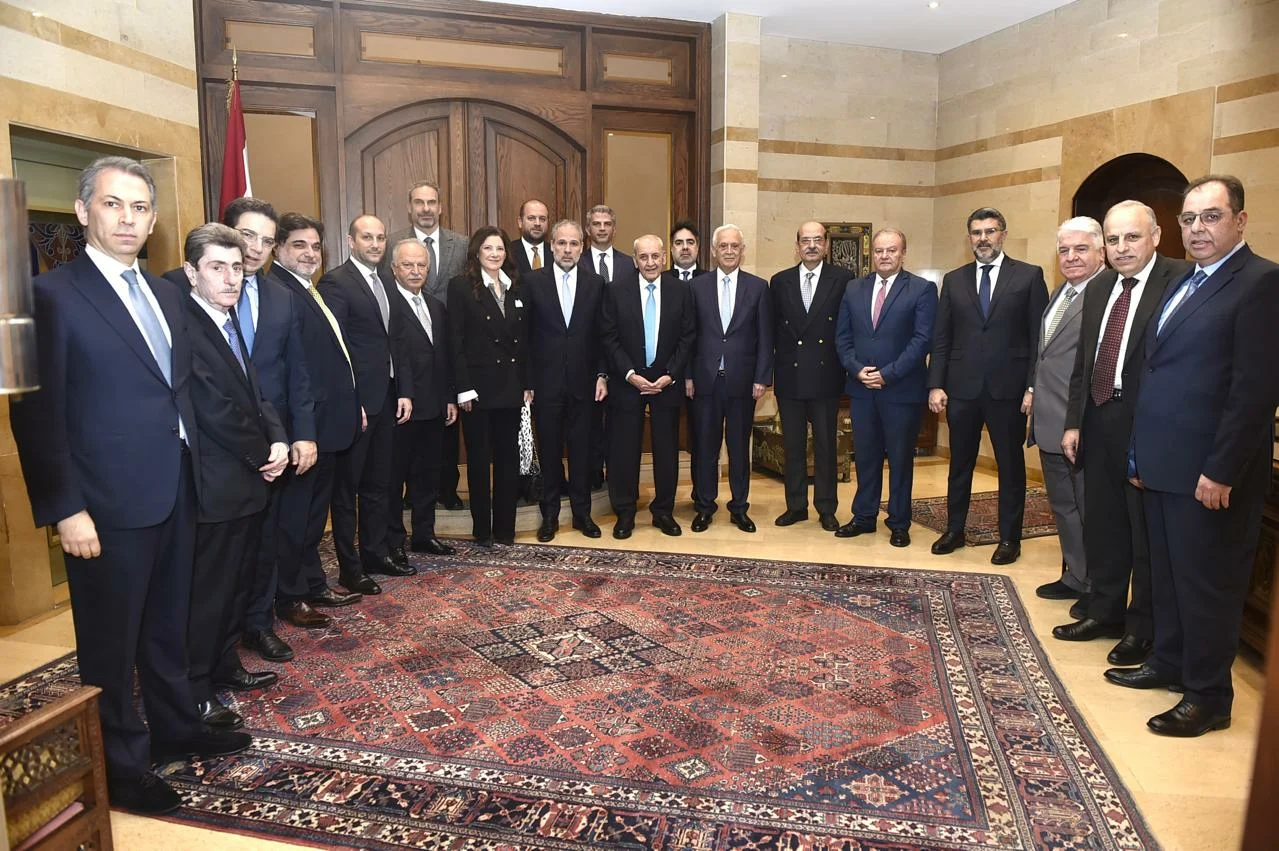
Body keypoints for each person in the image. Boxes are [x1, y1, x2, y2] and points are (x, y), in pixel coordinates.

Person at [10, 157, 249, 815]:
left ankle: (176, 727)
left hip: (175, 490)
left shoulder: (168, 294)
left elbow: (178, 394)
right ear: (83, 210)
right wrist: (66, 509)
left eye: (140, 207)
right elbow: (34, 412)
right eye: (112, 204)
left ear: (153, 218)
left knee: (168, 626)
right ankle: (119, 765)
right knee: (111, 644)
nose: (127, 219)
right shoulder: (46, 295)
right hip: (105, 506)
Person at [1106, 176, 1279, 737]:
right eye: (1188, 218)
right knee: (1169, 578)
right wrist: (1139, 456)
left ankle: (1207, 697)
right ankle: (1169, 662)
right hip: (1162, 465)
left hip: (1208, 474)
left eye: (1210, 216)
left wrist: (1221, 470)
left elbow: (1254, 392)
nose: (1197, 229)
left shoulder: (1260, 282)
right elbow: (1157, 373)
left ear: (1240, 221)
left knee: (1207, 586)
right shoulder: (1185, 280)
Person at [1057, 201, 1190, 663]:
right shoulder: (1100, 287)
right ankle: (1104, 611)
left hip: (1148, 425)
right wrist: (1074, 421)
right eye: (1113, 239)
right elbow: (1084, 362)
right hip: (1099, 419)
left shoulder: (1179, 279)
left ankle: (1142, 628)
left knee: (1145, 534)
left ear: (1156, 236)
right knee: (1105, 525)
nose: (1121, 248)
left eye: (1131, 237)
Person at [177, 223, 290, 731]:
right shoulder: (188, 327)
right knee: (209, 593)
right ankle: (195, 691)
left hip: (247, 480)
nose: (230, 279)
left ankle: (223, 665)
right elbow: (214, 408)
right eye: (217, 268)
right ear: (191, 273)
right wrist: (263, 452)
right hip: (216, 485)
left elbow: (255, 393)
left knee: (237, 584)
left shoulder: (228, 320)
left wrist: (279, 438)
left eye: (237, 268)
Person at [928, 207, 1048, 564]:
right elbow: (942, 338)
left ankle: (1010, 538)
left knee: (1010, 467)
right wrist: (936, 384)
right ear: (969, 238)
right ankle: (954, 530)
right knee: (959, 464)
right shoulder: (954, 280)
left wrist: (1032, 387)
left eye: (990, 231)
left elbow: (1039, 339)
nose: (983, 238)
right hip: (962, 389)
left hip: (1008, 391)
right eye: (977, 233)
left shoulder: (1028, 276)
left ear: (1003, 235)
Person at [267, 214, 367, 618]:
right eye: (299, 245)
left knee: (312, 516)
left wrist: (353, 402)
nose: (310, 253)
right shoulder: (280, 292)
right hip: (306, 429)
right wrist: (302, 431)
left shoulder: (306, 289)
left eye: (315, 246)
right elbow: (294, 370)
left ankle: (313, 584)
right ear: (277, 248)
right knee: (296, 519)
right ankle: (290, 596)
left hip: (329, 424)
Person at [319, 215, 415, 588]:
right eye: (367, 237)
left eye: (380, 237)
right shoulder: (336, 282)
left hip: (387, 400)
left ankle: (376, 553)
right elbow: (334, 348)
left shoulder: (387, 282)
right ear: (350, 241)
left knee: (379, 484)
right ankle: (350, 566)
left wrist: (404, 390)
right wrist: (352, 399)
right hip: (356, 405)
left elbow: (397, 341)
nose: (375, 244)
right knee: (347, 490)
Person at [834, 227, 936, 545]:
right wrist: (856, 369)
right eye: (879, 250)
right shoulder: (854, 288)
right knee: (865, 456)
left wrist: (888, 374)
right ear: (872, 254)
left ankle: (899, 522)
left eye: (892, 250)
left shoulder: (921, 289)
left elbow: (922, 340)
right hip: (862, 390)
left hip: (901, 390)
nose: (885, 256)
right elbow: (842, 337)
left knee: (901, 459)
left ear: (903, 253)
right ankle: (864, 516)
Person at [1027, 218, 1107, 608]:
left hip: (1082, 422)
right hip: (1049, 417)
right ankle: (1075, 575)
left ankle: (1097, 587)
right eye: (1064, 250)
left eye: (1080, 249)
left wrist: (1078, 421)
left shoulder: (1107, 293)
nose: (1071, 257)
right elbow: (1046, 353)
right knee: (1063, 505)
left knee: (1090, 510)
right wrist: (1032, 389)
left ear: (1101, 252)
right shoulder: (1062, 291)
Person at [600, 235, 696, 538]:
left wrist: (670, 374)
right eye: (644, 257)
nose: (651, 262)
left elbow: (688, 336)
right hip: (627, 382)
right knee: (624, 450)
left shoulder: (682, 291)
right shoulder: (616, 291)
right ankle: (625, 512)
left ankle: (663, 511)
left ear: (664, 257)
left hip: (666, 382)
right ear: (635, 260)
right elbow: (609, 337)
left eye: (656, 256)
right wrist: (629, 374)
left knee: (666, 451)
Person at [382, 179, 468, 510]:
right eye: (419, 202)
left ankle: (447, 490)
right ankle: (410, 497)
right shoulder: (392, 243)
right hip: (405, 349)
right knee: (405, 445)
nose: (426, 208)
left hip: (444, 344)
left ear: (440, 207)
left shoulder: (460, 244)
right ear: (410, 207)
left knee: (444, 436)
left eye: (432, 202)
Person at [524, 219, 608, 541]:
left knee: (582, 452)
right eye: (562, 243)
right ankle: (549, 517)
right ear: (552, 246)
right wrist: (528, 382)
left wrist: (602, 375)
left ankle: (582, 515)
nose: (568, 250)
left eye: (574, 244)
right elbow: (525, 336)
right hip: (545, 386)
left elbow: (602, 335)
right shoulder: (533, 282)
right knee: (549, 452)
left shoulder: (595, 283)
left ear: (582, 247)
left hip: (584, 384)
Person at [449, 225, 532, 546]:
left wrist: (527, 383)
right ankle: (483, 530)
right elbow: (455, 342)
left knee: (508, 461)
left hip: (511, 388)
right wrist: (463, 387)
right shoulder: (461, 287)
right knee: (479, 462)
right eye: (488, 248)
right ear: (476, 253)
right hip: (477, 391)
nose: (494, 254)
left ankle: (505, 530)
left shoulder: (516, 287)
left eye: (499, 248)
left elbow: (525, 341)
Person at [688, 225, 774, 534]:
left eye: (734, 246)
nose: (728, 251)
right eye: (723, 246)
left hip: (743, 383)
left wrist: (762, 377)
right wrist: (687, 375)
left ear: (742, 251)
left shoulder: (758, 287)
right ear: (714, 251)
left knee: (739, 450)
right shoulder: (696, 287)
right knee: (706, 449)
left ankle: (739, 507)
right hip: (705, 382)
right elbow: (689, 336)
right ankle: (705, 507)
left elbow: (765, 337)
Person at [771, 221, 851, 531]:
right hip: (789, 376)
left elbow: (846, 329)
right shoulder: (780, 281)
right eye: (806, 240)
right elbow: (772, 330)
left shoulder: (843, 279)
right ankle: (796, 506)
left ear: (827, 245)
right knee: (792, 446)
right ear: (797, 246)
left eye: (818, 240)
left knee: (825, 446)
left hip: (825, 376)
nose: (812, 245)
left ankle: (826, 508)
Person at [385, 239, 458, 558]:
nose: (415, 271)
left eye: (421, 265)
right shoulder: (387, 305)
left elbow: (444, 357)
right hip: (401, 408)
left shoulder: (435, 306)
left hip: (434, 406)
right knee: (394, 478)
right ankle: (393, 540)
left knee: (428, 476)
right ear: (394, 268)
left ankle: (424, 535)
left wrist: (449, 397)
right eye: (408, 265)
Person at [665, 219, 706, 502]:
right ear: (671, 248)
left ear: (698, 247)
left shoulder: (711, 280)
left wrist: (691, 372)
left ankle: (701, 496)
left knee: (701, 438)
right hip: (667, 373)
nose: (685, 248)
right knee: (667, 438)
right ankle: (666, 498)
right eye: (679, 243)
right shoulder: (659, 279)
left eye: (690, 242)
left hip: (702, 374)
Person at [579, 204, 636, 284]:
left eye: (607, 224)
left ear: (614, 230)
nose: (602, 228)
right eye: (596, 224)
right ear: (588, 230)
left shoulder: (629, 263)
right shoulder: (578, 262)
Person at [509, 198, 551, 275]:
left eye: (542, 219)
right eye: (531, 218)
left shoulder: (556, 252)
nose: (537, 223)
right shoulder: (508, 251)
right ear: (520, 222)